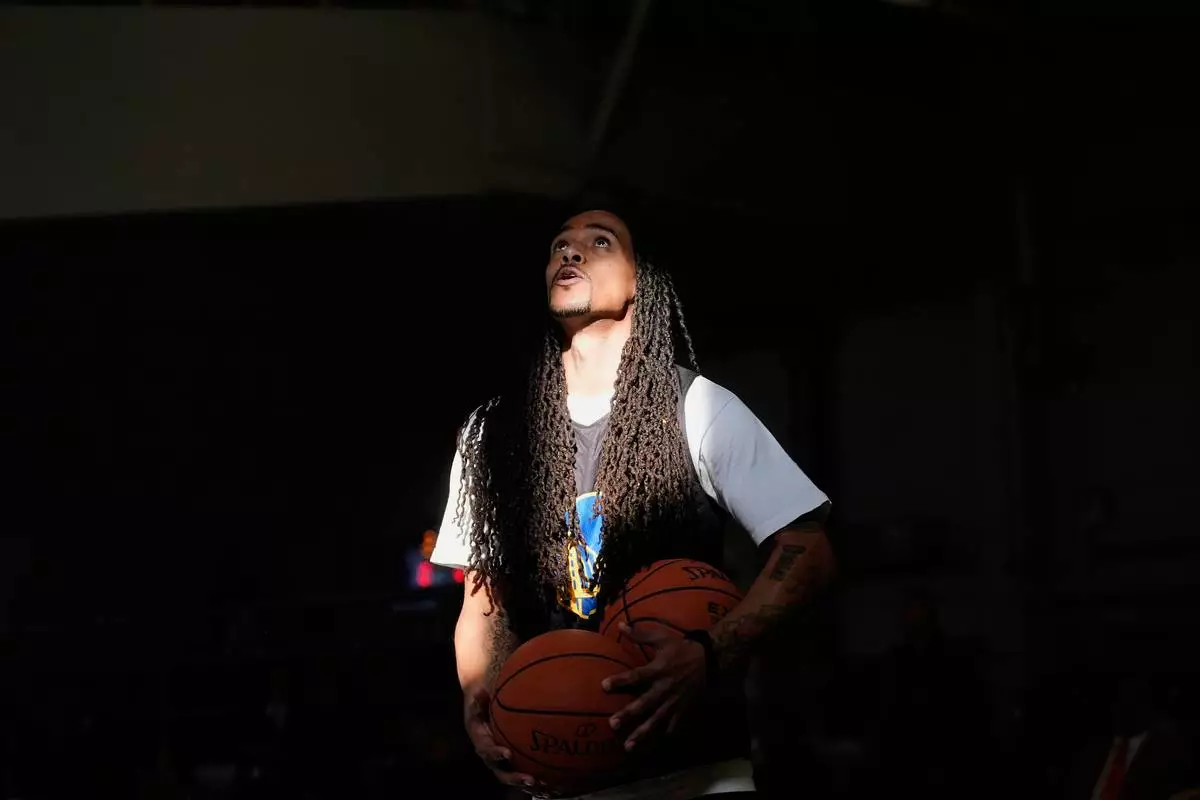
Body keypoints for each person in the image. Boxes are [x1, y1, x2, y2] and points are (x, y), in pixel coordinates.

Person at [430, 210, 834, 799]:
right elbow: (481, 598)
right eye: (559, 246)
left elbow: (808, 550)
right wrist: (479, 693)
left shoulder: (698, 407)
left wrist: (711, 652)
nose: (571, 253)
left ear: (639, 281)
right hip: (562, 770)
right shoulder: (490, 432)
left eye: (600, 242)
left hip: (696, 772)